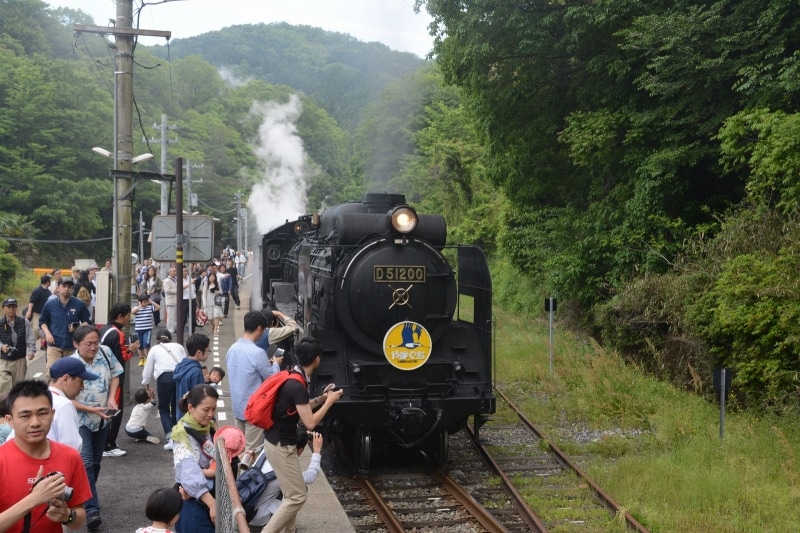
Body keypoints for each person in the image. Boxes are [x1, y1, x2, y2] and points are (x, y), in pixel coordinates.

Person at [262, 337, 343, 533]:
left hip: (274, 442)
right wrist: (330, 402)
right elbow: (310, 422)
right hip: (281, 446)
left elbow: (300, 408)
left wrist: (322, 398)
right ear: (316, 359)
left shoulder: (293, 376)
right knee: (297, 497)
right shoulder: (297, 385)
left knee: (291, 494)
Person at [0, 379, 92, 532]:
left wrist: (67, 516)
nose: (35, 422)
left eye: (42, 413)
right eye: (25, 416)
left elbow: (78, 519)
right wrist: (34, 499)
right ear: (10, 420)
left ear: (53, 414)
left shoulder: (70, 456)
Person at [70, 325, 124, 531]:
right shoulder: (71, 364)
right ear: (76, 344)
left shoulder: (106, 353)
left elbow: (116, 374)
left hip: (103, 419)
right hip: (81, 419)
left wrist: (111, 398)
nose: (93, 347)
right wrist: (90, 409)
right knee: (86, 462)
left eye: (96, 342)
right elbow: (63, 397)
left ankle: (85, 493)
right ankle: (92, 510)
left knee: (96, 462)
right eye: (88, 344)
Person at [6, 357, 100, 452]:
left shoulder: (34, 399)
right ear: (65, 379)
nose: (82, 387)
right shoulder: (64, 405)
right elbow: (72, 447)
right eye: (80, 382)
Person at [227, 311, 281, 452]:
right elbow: (272, 379)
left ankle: (236, 473)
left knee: (238, 449)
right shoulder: (257, 353)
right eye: (263, 331)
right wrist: (276, 364)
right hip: (253, 410)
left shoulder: (232, 349)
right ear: (258, 328)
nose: (262, 334)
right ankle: (246, 474)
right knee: (251, 452)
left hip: (238, 407)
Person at [249, 429, 323, 530]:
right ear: (300, 449)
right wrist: (317, 451)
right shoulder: (284, 469)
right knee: (300, 489)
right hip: (258, 521)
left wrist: (302, 434)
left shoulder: (268, 449)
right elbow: (311, 476)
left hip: (247, 509)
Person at [172, 384, 219, 533]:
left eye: (214, 409)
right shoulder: (182, 435)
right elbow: (189, 472)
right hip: (194, 502)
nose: (211, 414)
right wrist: (212, 504)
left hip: (207, 495)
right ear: (191, 408)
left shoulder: (208, 425)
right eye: (206, 409)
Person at [98, 302, 139, 459]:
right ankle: (109, 445)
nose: (129, 318)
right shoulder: (118, 334)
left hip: (102, 377)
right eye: (128, 315)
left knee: (104, 408)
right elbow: (120, 359)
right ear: (120, 316)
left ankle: (105, 443)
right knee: (114, 410)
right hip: (114, 378)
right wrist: (131, 350)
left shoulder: (103, 329)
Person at [142, 328, 187, 449]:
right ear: (170, 339)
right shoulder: (178, 346)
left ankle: (171, 438)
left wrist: (147, 386)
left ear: (157, 340)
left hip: (164, 378)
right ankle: (180, 436)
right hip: (179, 376)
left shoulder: (154, 349)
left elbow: (147, 371)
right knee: (178, 406)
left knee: (164, 408)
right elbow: (185, 362)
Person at [39, 276, 91, 371]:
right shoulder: (50, 304)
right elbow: (42, 321)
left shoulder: (79, 304)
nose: (66, 289)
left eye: (69, 286)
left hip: (72, 345)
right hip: (54, 344)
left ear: (72, 289)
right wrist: (47, 333)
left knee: (71, 374)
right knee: (52, 373)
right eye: (64, 286)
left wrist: (79, 328)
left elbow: (87, 321)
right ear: (58, 288)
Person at [0, 298, 35, 397]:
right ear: (4, 308)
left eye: (13, 306)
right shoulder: (0, 323)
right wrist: (2, 346)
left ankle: (16, 409)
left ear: (16, 308)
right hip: (3, 360)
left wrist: (31, 350)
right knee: (3, 385)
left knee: (18, 388)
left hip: (19, 359)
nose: (11, 309)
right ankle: (2, 409)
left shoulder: (24, 322)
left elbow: (30, 337)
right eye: (8, 307)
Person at [173, 333, 211, 420]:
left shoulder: (180, 366)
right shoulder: (196, 372)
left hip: (181, 414)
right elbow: (200, 398)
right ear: (199, 352)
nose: (209, 353)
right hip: (193, 418)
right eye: (208, 351)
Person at [25, 274, 52, 357]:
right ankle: (29, 344)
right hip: (37, 313)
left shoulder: (48, 292)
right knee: (36, 329)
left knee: (44, 331)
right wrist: (29, 312)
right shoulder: (37, 290)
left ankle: (43, 344)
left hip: (45, 314)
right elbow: (32, 302)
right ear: (48, 282)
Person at [132, 293, 160, 366]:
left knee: (146, 344)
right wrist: (140, 306)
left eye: (146, 301)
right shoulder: (137, 309)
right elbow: (133, 312)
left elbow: (158, 307)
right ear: (140, 302)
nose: (145, 303)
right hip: (139, 330)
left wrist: (152, 302)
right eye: (144, 302)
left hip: (147, 329)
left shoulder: (150, 307)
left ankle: (147, 358)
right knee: (140, 345)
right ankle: (141, 359)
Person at [163, 266, 178, 335]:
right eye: (173, 271)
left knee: (174, 316)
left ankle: (173, 329)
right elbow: (167, 290)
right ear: (169, 272)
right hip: (171, 301)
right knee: (171, 317)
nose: (175, 272)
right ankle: (170, 330)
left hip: (176, 300)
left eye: (175, 271)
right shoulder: (167, 280)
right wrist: (177, 290)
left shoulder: (176, 279)